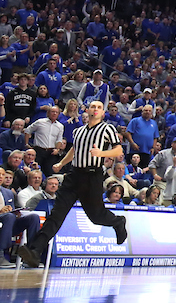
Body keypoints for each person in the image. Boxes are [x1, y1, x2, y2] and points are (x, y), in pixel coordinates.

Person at [18, 99, 127, 266]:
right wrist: (61, 163)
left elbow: (119, 149)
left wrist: (101, 153)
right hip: (74, 175)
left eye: (99, 107)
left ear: (103, 113)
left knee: (96, 216)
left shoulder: (108, 128)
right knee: (57, 214)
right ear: (88, 110)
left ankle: (118, 222)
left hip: (93, 176)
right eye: (93, 106)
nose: (96, 109)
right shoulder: (79, 131)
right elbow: (74, 150)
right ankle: (35, 250)